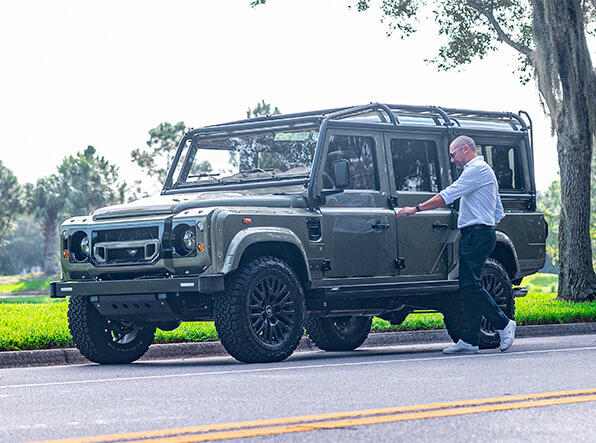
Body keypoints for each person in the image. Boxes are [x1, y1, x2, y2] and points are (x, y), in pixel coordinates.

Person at [397, 135, 516, 354]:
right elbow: (498, 207)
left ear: (465, 149)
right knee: (469, 286)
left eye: (453, 155)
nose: (452, 160)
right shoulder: (484, 171)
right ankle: (469, 340)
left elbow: (448, 195)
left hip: (478, 234)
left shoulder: (476, 170)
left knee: (470, 286)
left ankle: (503, 324)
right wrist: (488, 223)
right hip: (477, 233)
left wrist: (416, 209)